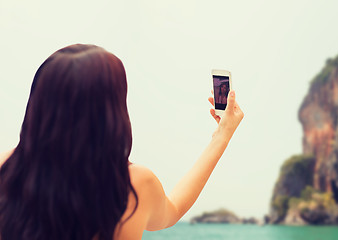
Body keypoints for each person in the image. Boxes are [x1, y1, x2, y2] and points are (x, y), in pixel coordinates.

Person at [0, 44, 243, 240]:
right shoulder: (133, 185)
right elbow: (174, 208)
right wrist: (223, 135)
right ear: (111, 112)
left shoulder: (6, 169)